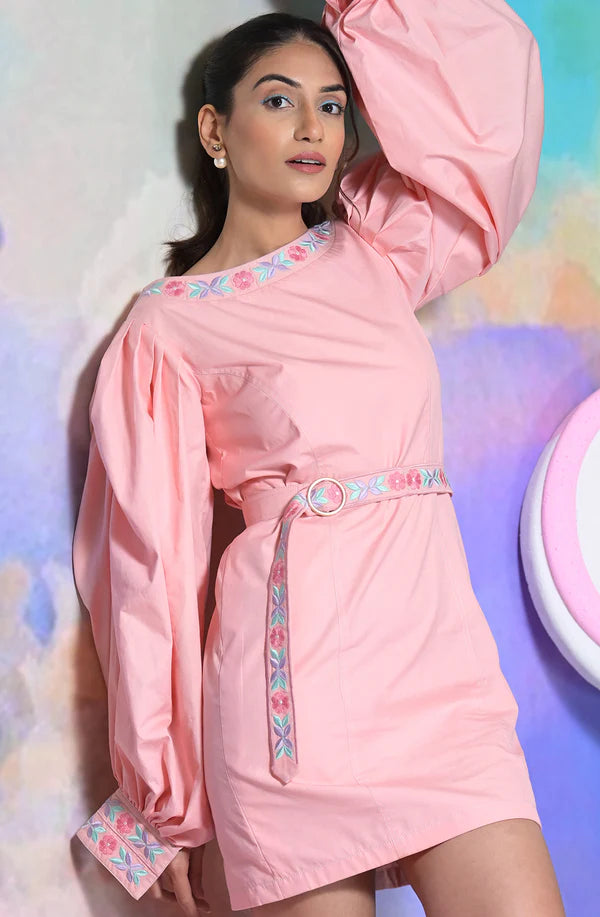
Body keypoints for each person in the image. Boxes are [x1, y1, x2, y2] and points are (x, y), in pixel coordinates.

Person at [72, 1, 566, 915]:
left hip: (440, 680)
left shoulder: (378, 244)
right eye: (280, 99)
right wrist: (165, 808)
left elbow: (487, 126)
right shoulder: (166, 328)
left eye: (333, 105)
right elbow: (149, 574)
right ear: (215, 130)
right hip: (289, 711)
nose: (313, 126)